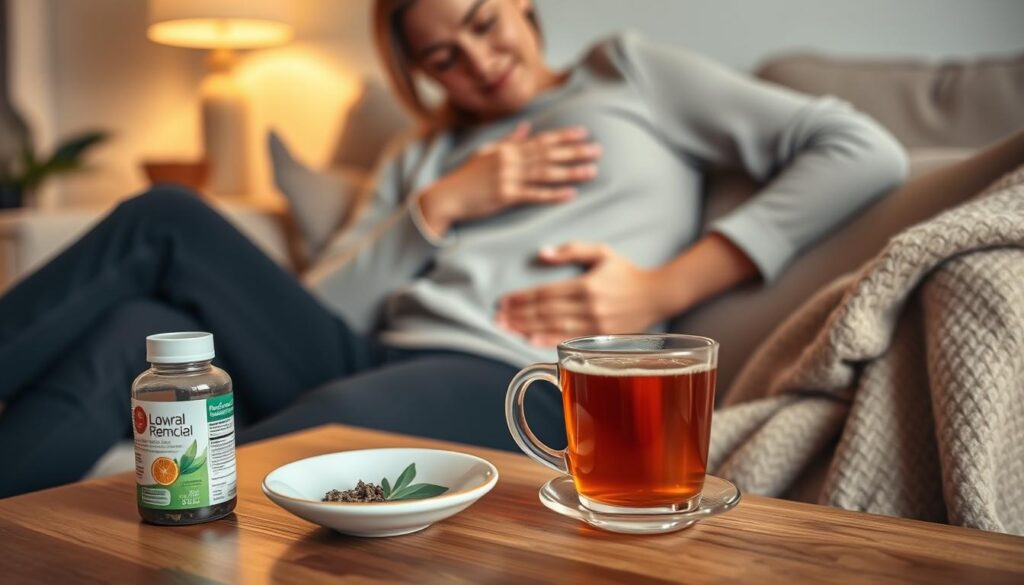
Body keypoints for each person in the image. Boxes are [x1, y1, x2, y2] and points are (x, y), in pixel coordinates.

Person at [0, 0, 907, 497]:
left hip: (511, 376)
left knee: (262, 442)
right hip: (368, 350)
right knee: (141, 313)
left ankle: (120, 525)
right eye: (442, 58)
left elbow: (864, 150)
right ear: (419, 75)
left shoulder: (625, 73)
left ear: (522, 4)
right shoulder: (420, 157)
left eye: (483, 21)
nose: (476, 61)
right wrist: (439, 205)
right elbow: (327, 301)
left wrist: (670, 281)